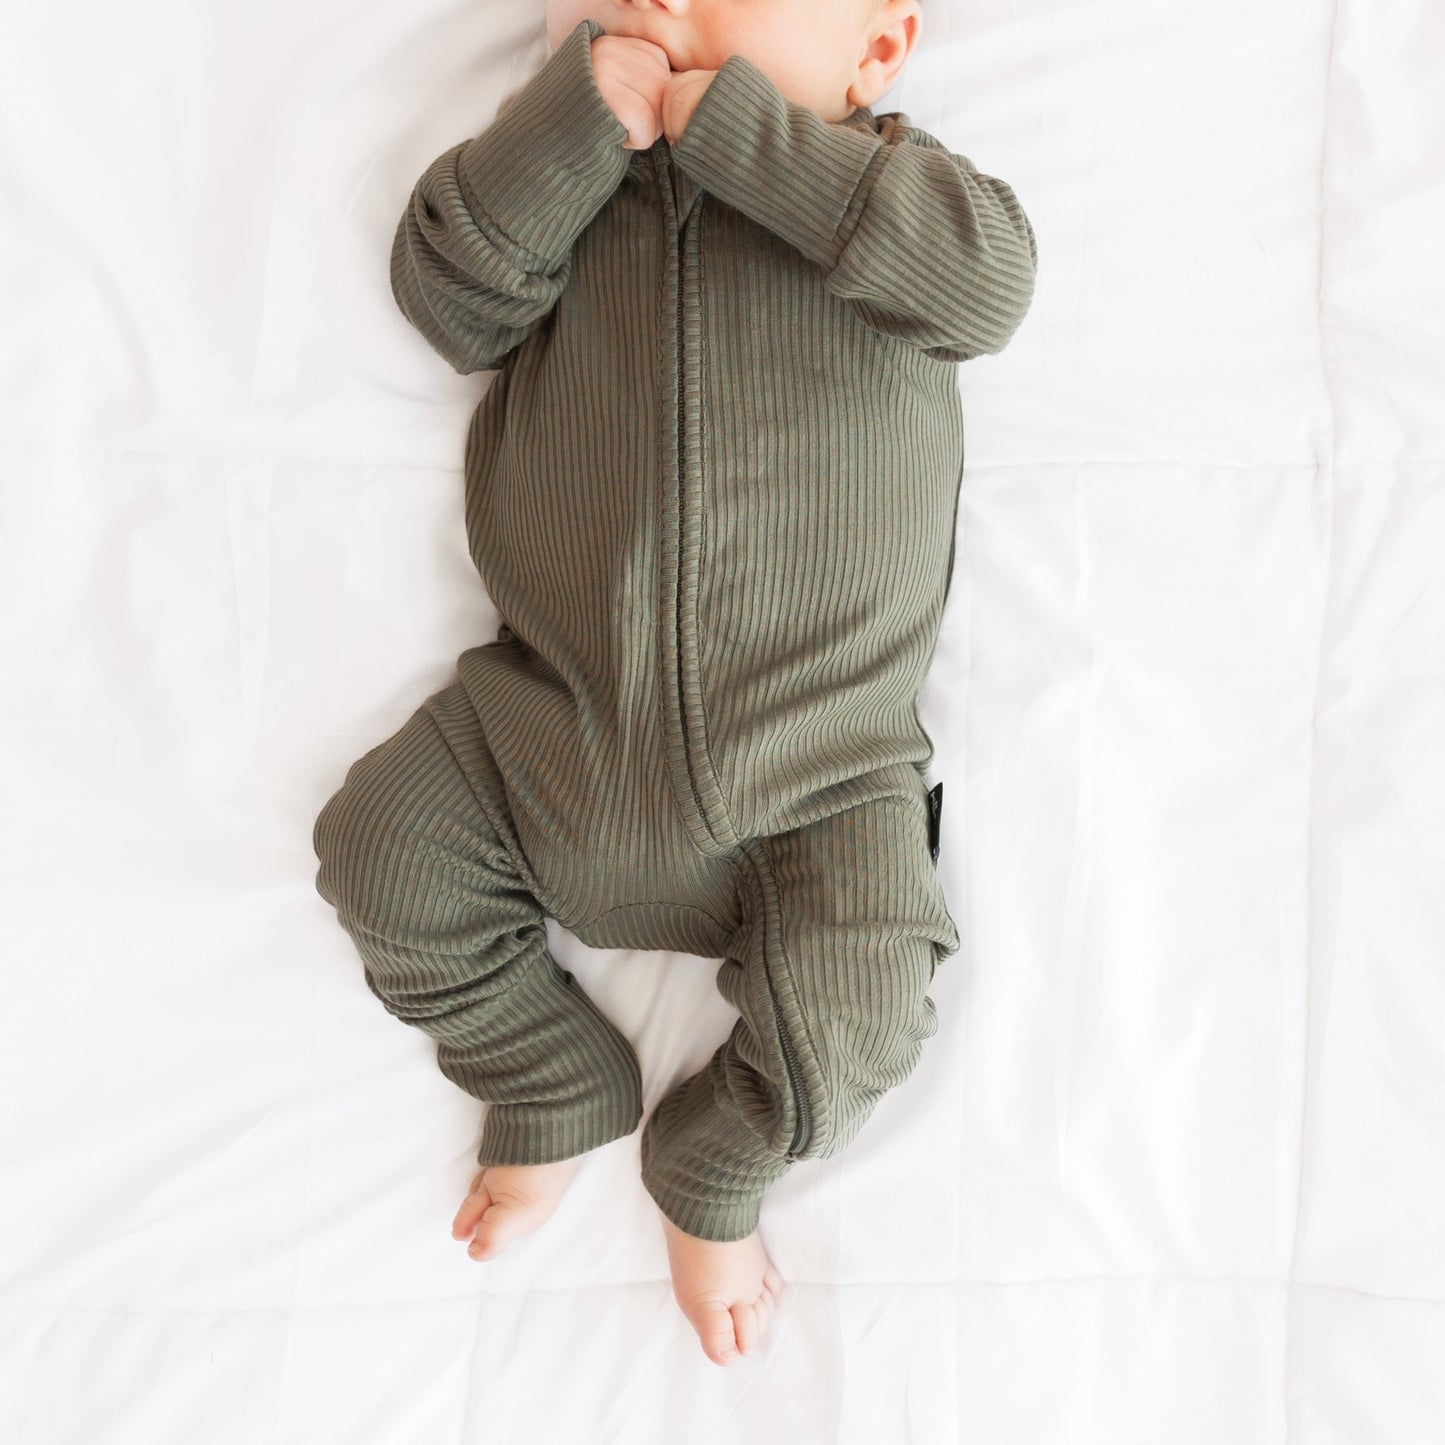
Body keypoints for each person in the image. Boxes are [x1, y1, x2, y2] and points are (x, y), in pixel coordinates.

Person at [312, 0, 1037, 1367]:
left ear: (877, 52)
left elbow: (987, 289)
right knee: (381, 851)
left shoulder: (893, 196)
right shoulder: (563, 180)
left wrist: (755, 140)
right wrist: (572, 125)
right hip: (547, 730)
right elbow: (447, 297)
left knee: (864, 1006)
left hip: (817, 776)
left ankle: (716, 1160)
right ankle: (544, 1071)